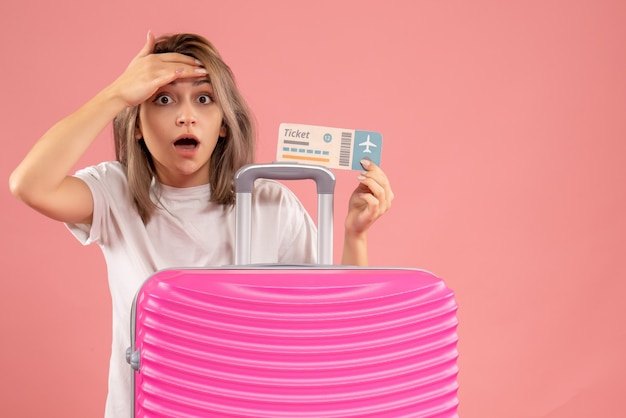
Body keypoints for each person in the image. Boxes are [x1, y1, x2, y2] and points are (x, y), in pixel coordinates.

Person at [9, 32, 393, 417]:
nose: (186, 115)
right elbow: (29, 184)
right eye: (163, 99)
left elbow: (334, 326)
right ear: (137, 126)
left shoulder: (270, 203)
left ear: (224, 124)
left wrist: (355, 234)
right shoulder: (114, 192)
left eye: (204, 99)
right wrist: (117, 94)